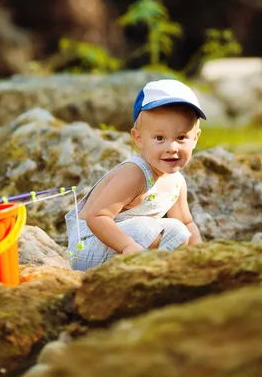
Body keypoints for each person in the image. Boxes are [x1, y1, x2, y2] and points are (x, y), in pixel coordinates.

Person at [65, 79, 206, 271]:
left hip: (129, 245)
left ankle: (164, 272)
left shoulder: (177, 181)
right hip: (88, 246)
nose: (172, 148)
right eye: (159, 138)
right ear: (138, 139)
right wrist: (127, 246)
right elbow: (97, 217)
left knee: (181, 231)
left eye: (181, 138)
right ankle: (154, 271)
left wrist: (204, 257)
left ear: (195, 138)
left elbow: (187, 223)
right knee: (170, 230)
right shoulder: (134, 174)